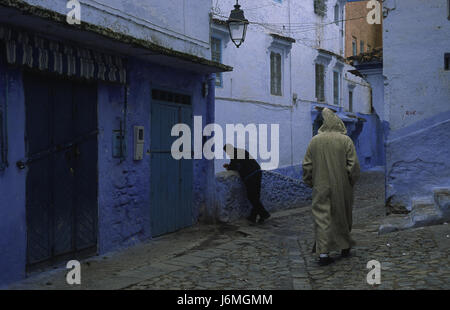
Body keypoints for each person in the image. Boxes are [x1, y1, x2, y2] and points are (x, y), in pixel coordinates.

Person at [302, 108, 360, 266]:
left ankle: (323, 254)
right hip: (342, 186)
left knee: (322, 218)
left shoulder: (314, 141)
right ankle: (345, 245)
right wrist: (350, 181)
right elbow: (353, 165)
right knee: (342, 215)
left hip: (320, 185)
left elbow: (307, 165)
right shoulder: (345, 140)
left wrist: (309, 181)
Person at [223, 144, 271, 224]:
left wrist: (228, 167)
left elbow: (234, 166)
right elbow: (239, 163)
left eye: (226, 152)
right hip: (257, 172)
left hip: (250, 175)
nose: (227, 153)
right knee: (255, 196)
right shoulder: (241, 151)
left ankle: (264, 214)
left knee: (251, 196)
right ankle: (253, 216)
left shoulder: (234, 153)